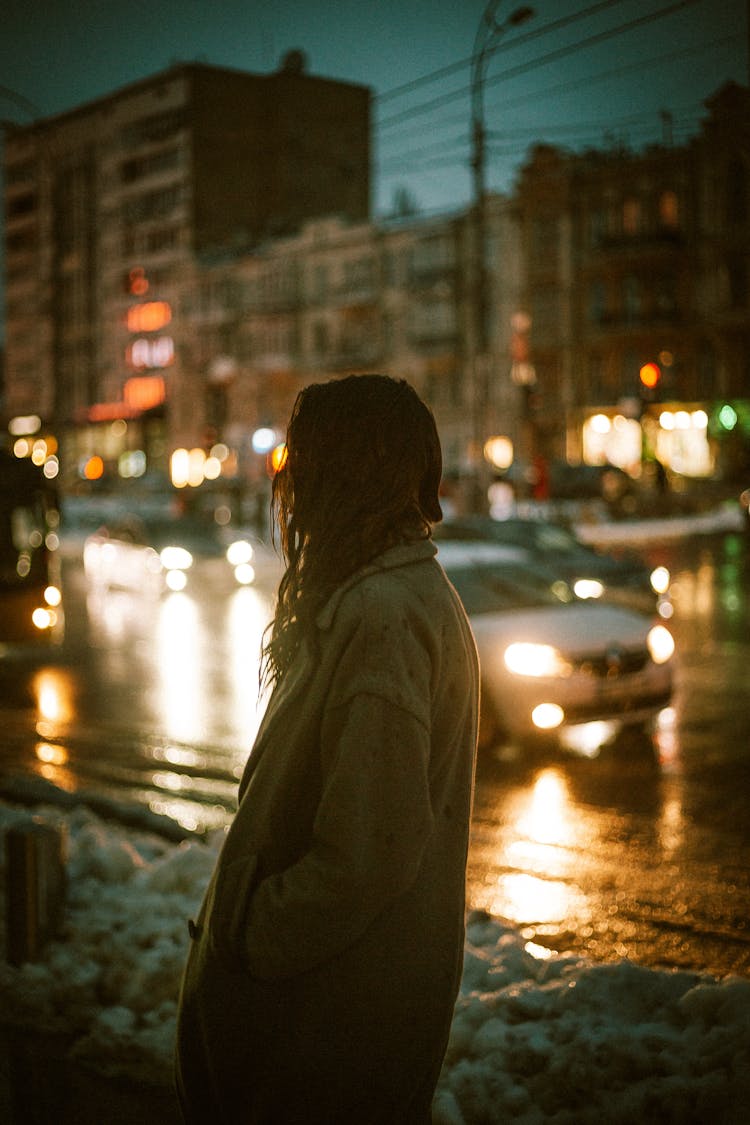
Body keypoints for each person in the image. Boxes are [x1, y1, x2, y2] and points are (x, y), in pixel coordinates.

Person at [175, 373, 479, 1124]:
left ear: (347, 474)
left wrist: (248, 935)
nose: (290, 483)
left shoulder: (382, 614)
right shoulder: (377, 597)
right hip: (327, 1031)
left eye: (302, 461)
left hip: (324, 1042)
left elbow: (367, 855)